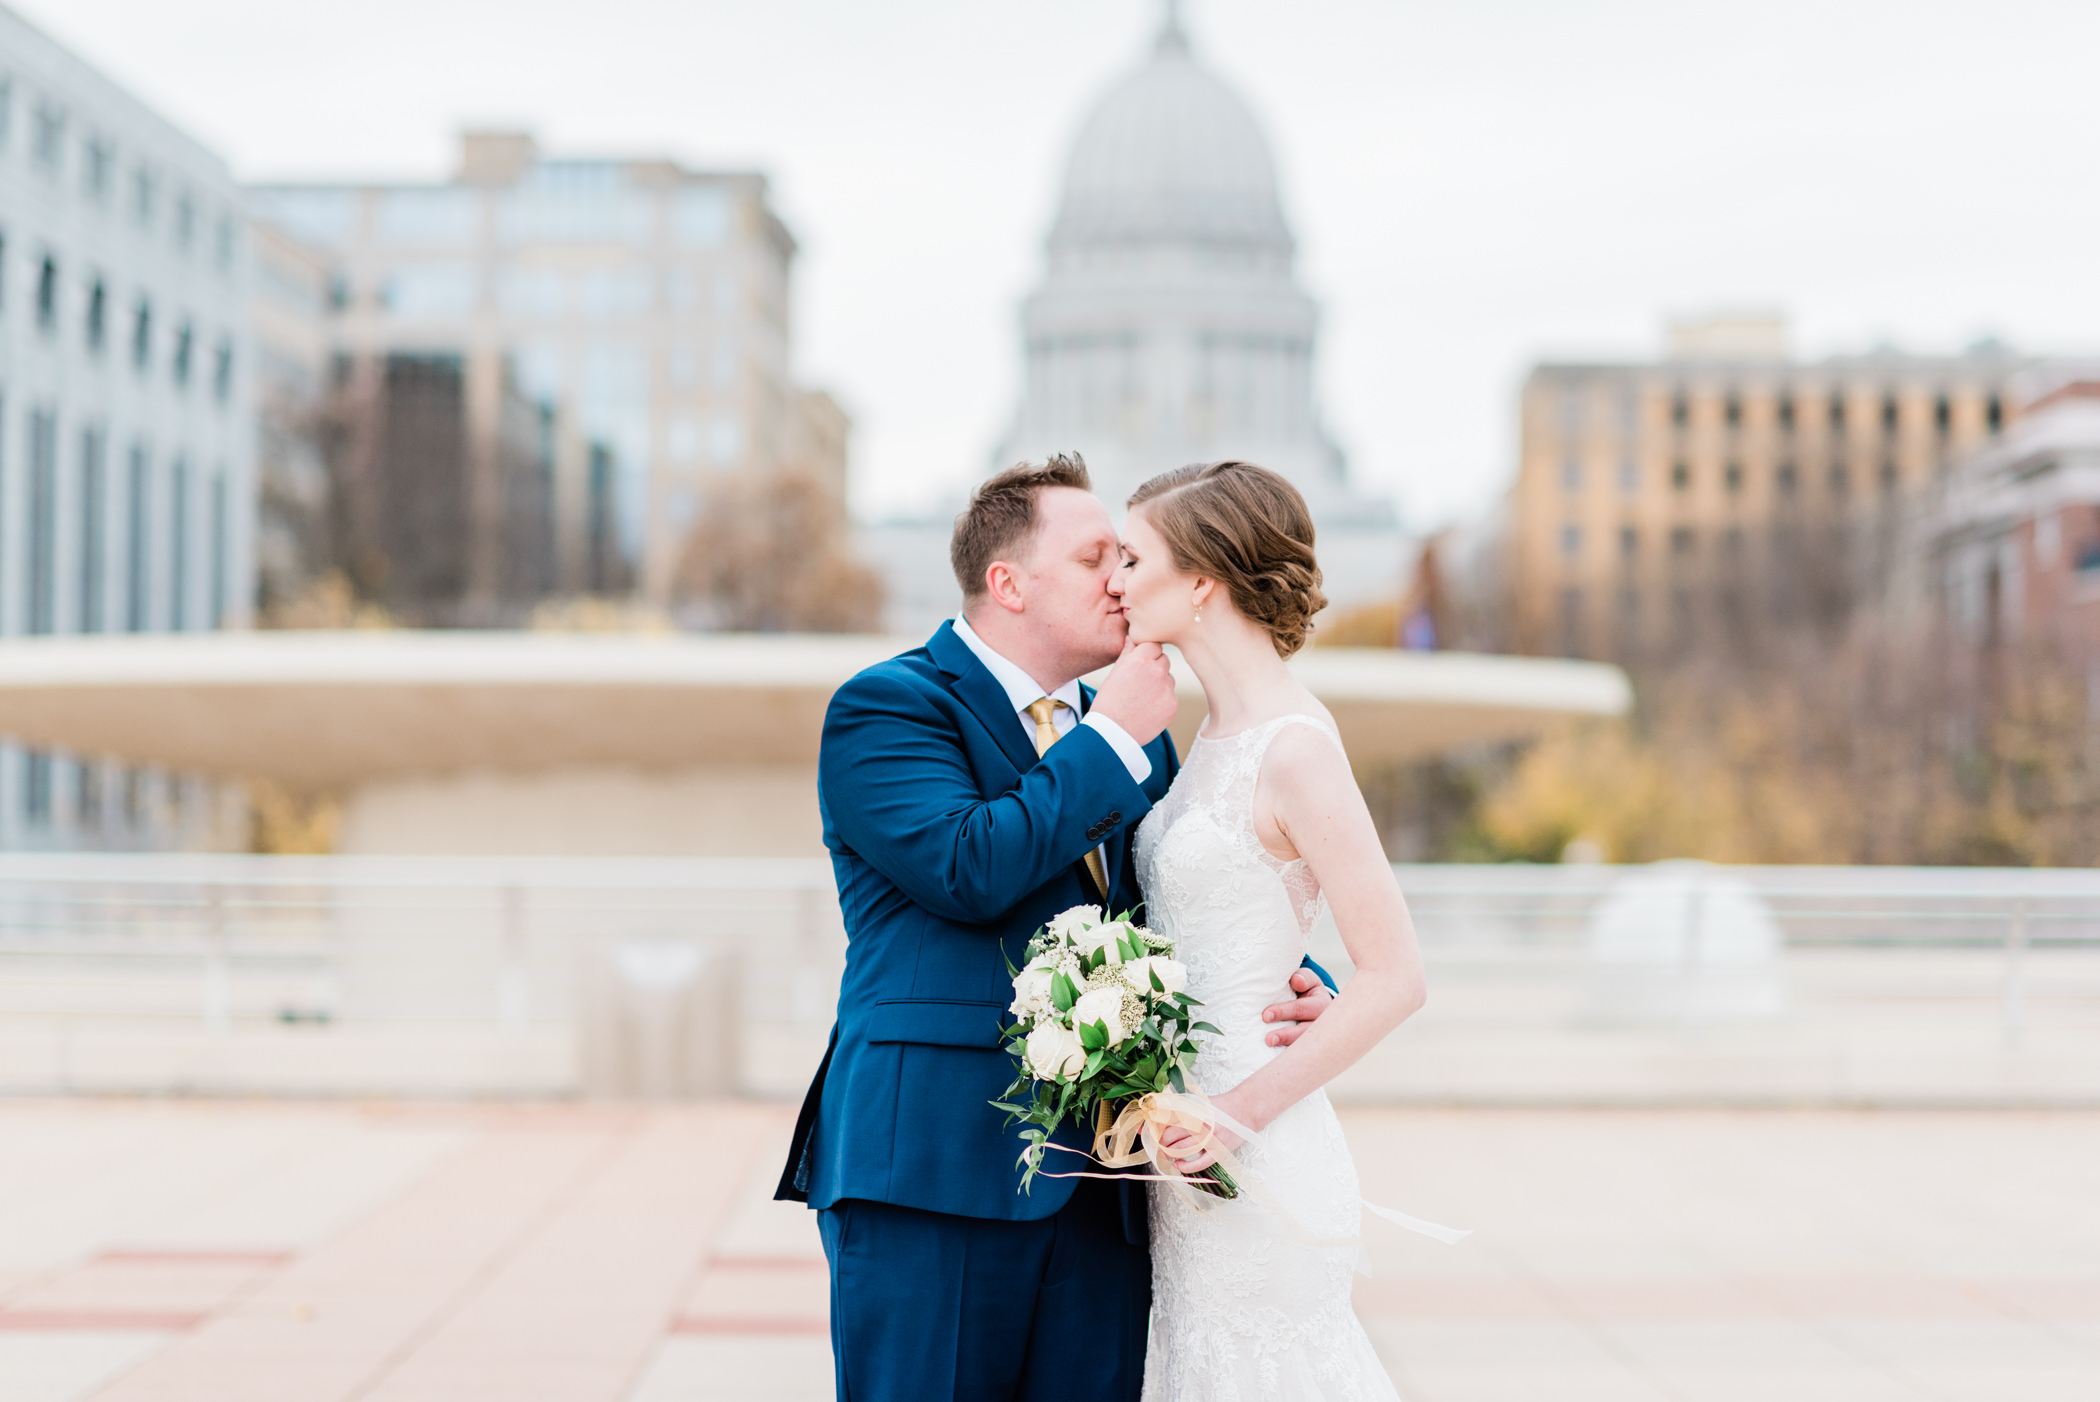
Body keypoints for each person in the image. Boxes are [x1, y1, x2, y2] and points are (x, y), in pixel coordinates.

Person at [776, 454, 1336, 1402]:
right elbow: (967, 869)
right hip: (930, 1171)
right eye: (1094, 560)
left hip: (1105, 1179)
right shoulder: (890, 706)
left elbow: (1168, 897)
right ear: (1008, 582)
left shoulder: (1134, 733)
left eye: (1127, 557)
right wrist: (1109, 739)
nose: (1122, 580)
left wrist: (1287, 969)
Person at [1113, 460, 1430, 1401]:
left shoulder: (1295, 747)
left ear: (1201, 581)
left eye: (1133, 559)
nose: (1115, 581)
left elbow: (1397, 975)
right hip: (1180, 1148)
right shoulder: (1204, 736)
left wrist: (1234, 1114)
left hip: (1254, 1140)